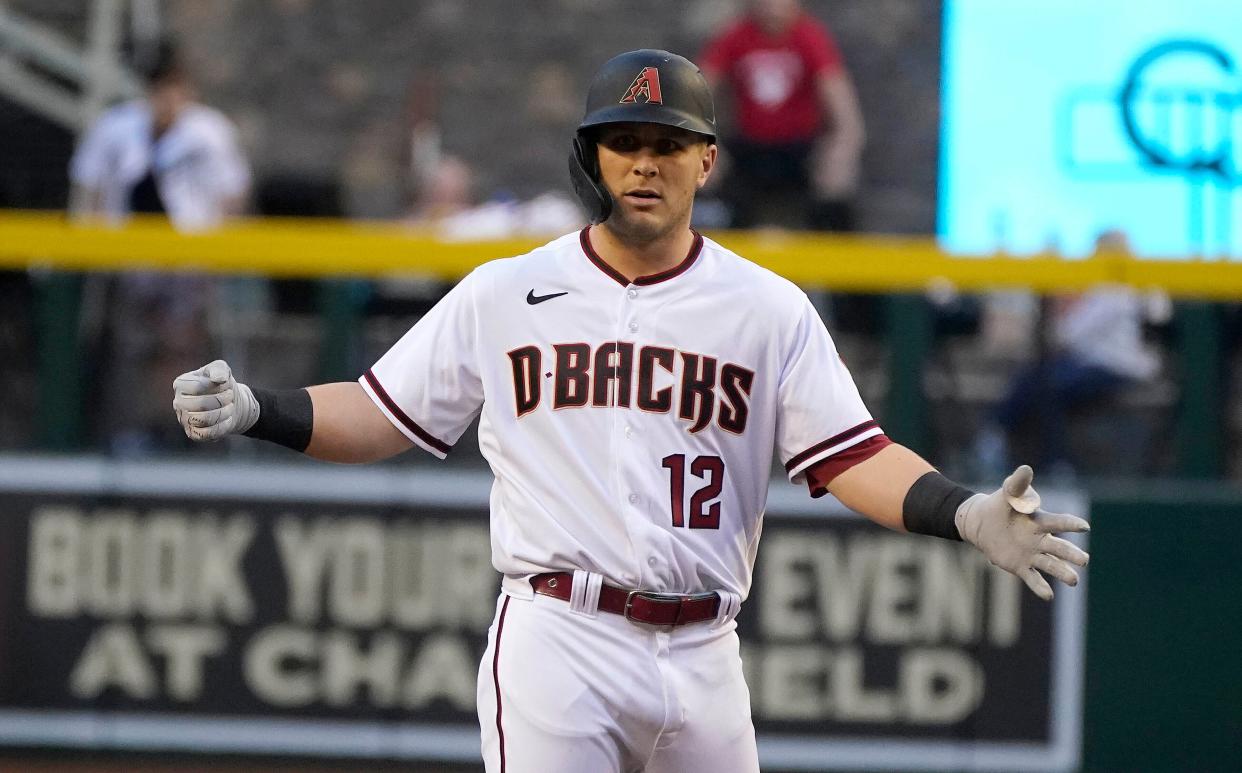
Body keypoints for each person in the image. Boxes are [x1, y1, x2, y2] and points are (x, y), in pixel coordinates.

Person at [172, 50, 1088, 773]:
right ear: (592, 158)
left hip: (705, 648)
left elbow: (851, 454)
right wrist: (260, 407)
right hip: (559, 635)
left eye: (666, 142)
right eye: (624, 142)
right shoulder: (506, 291)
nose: (644, 162)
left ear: (706, 159)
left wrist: (962, 510)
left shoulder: (765, 308)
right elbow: (380, 413)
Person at [71, 38, 252, 454]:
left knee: (183, 350)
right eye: (157, 84)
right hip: (131, 263)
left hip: (189, 263)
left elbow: (233, 197)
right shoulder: (118, 126)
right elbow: (91, 191)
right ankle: (125, 433)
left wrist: (219, 255)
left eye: (173, 84)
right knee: (128, 347)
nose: (166, 94)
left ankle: (183, 434)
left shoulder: (209, 131)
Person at [973, 230, 1168, 478]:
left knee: (1047, 386)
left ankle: (1052, 463)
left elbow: (1067, 335)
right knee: (1038, 377)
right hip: (1092, 363)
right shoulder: (1104, 287)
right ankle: (997, 438)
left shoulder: (1117, 291)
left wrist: (1065, 304)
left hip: (1116, 367)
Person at [699, 0, 865, 231]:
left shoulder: (810, 36)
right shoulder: (735, 35)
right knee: (702, 164)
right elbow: (697, 92)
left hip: (799, 149)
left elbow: (844, 109)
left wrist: (840, 151)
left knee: (837, 177)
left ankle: (834, 256)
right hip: (749, 147)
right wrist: (705, 143)